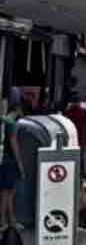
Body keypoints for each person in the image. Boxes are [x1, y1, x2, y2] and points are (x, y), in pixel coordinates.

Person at [0, 94, 25, 229]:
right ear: (18, 109)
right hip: (9, 162)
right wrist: (20, 164)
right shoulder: (13, 123)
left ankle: (10, 221)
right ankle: (5, 221)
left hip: (3, 160)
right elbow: (14, 143)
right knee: (7, 193)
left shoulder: (4, 120)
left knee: (7, 192)